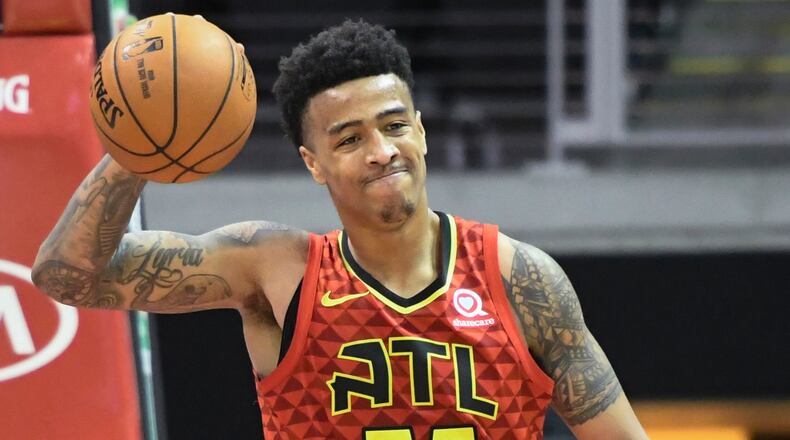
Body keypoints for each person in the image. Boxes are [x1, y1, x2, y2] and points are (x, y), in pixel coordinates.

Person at [33, 19, 648, 439]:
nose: (382, 151)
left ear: (423, 132)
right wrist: (134, 148)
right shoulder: (275, 269)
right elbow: (68, 276)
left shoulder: (521, 278)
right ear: (313, 163)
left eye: (395, 125)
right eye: (350, 139)